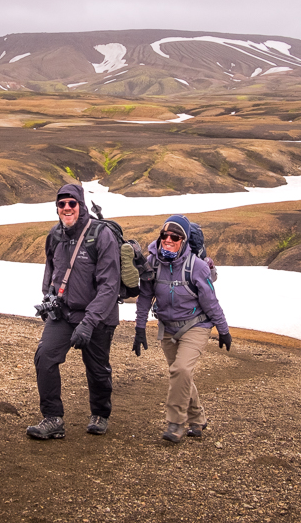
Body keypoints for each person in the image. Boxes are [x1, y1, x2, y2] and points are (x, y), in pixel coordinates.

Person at [27, 184, 121, 440]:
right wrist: (48, 297)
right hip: (64, 313)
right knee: (45, 357)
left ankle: (100, 413)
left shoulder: (101, 236)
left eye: (72, 203)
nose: (66, 208)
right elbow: (51, 271)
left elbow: (109, 285)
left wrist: (89, 323)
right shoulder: (55, 235)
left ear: (80, 205)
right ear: (56, 208)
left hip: (98, 316)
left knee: (97, 369)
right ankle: (53, 418)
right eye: (61, 204)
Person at [133, 215, 232, 443]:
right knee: (180, 374)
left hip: (196, 325)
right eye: (164, 235)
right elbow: (145, 297)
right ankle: (198, 420)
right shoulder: (152, 263)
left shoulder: (197, 267)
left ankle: (175, 423)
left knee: (181, 371)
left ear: (184, 241)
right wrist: (139, 327)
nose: (168, 240)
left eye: (175, 237)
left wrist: (223, 329)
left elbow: (211, 302)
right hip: (167, 327)